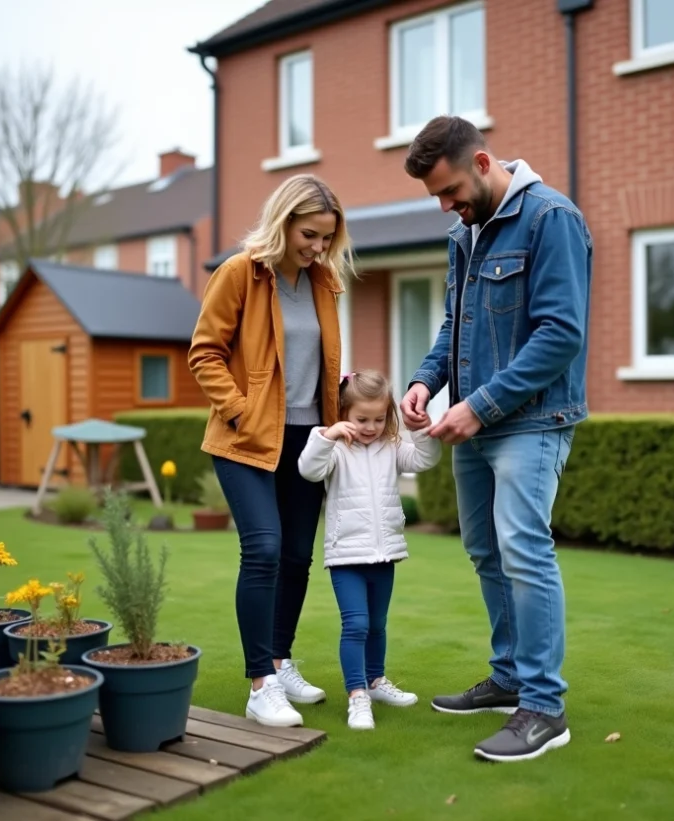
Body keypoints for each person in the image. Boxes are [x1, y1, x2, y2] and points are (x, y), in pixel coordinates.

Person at [398, 115, 593, 762]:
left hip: (530, 421)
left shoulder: (550, 218)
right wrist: (428, 380)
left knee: (523, 549)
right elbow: (458, 320)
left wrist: (478, 406)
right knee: (486, 550)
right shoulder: (466, 233)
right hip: (476, 423)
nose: (445, 206)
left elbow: (561, 333)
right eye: (436, 197)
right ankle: (509, 678)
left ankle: (544, 706)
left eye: (450, 190)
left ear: (482, 162)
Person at [188, 174, 354, 728]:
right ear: (283, 222)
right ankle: (260, 683)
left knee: (296, 558)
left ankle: (281, 662)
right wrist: (240, 410)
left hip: (309, 441)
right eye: (310, 235)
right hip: (246, 439)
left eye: (327, 238)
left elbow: (319, 364)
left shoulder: (324, 282)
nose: (318, 247)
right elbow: (204, 353)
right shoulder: (239, 273)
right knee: (263, 548)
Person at [297, 369, 442, 731]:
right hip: (346, 557)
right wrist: (326, 436)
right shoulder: (335, 449)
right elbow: (308, 470)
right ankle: (357, 695)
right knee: (357, 624)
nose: (370, 426)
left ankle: (376, 682)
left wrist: (420, 427)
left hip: (384, 554)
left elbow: (425, 460)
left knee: (377, 625)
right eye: (362, 418)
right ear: (344, 413)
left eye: (379, 419)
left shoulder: (391, 447)